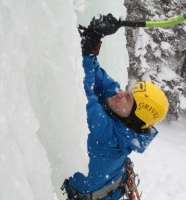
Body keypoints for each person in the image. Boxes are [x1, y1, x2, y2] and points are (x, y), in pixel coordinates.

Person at [62, 14, 169, 200]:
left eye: (127, 98)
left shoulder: (105, 137)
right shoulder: (125, 118)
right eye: (127, 91)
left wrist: (87, 52)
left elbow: (82, 91)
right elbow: (101, 82)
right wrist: (94, 41)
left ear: (133, 118)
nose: (119, 93)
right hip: (111, 185)